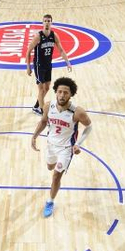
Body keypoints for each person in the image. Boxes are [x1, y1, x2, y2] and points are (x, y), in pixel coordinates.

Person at [30, 77, 92, 218]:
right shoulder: (48, 106)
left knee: (56, 176)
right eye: (59, 92)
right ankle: (53, 178)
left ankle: (50, 201)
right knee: (49, 167)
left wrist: (78, 144)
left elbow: (89, 126)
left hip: (66, 149)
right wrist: (34, 136)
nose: (62, 95)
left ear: (71, 94)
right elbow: (43, 121)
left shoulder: (77, 112)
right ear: (56, 92)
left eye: (65, 92)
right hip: (51, 145)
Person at [25, 14, 72, 116]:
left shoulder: (54, 36)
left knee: (47, 88)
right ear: (43, 23)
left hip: (48, 65)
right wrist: (28, 67)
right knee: (41, 89)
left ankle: (36, 106)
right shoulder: (38, 36)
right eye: (45, 21)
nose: (47, 23)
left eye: (48, 21)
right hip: (39, 65)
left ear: (51, 22)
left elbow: (61, 50)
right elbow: (28, 51)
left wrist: (68, 63)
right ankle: (43, 112)